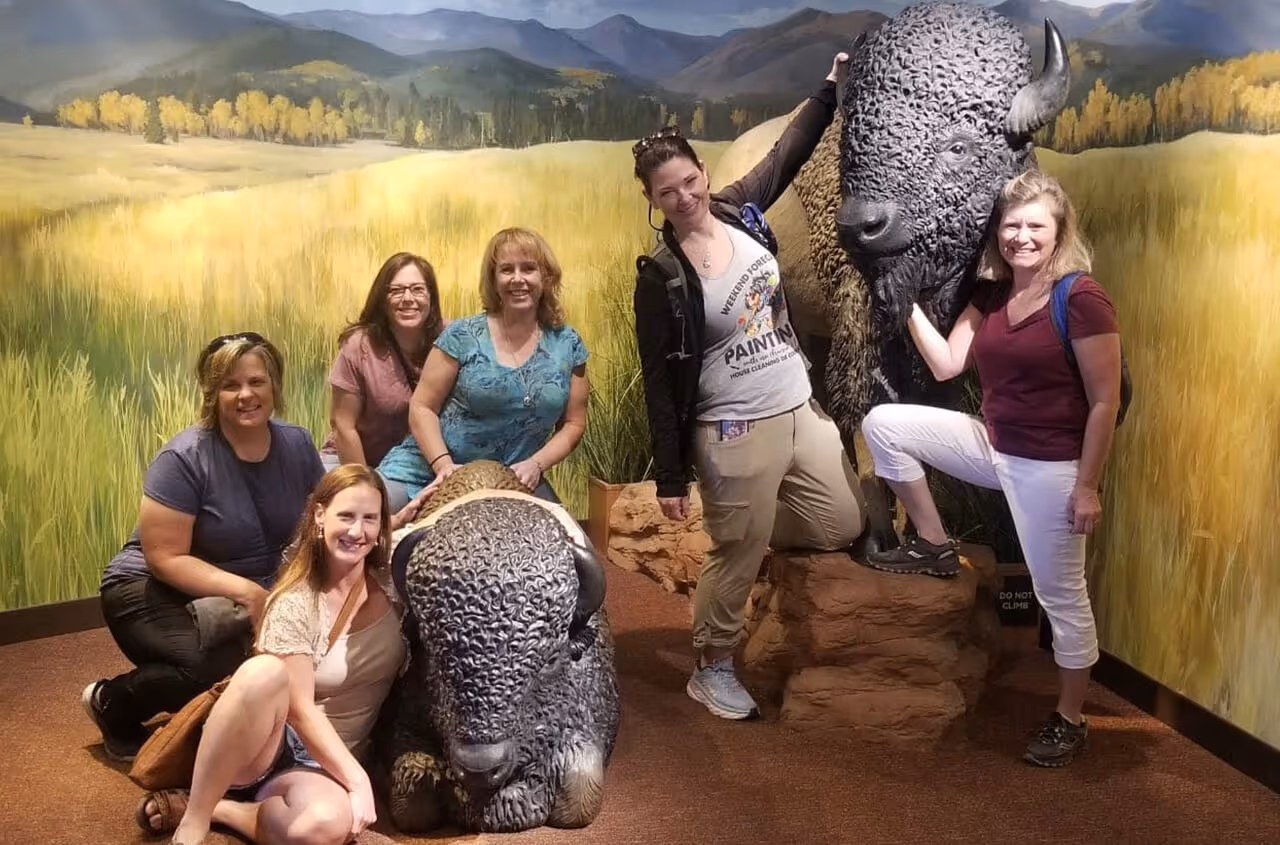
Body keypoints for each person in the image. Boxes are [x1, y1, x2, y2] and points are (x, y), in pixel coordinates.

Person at [857, 168, 1123, 767]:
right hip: (994, 446)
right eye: (1011, 226)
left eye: (1035, 226)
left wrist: (1086, 487)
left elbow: (1104, 402)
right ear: (997, 231)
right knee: (884, 425)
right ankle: (934, 543)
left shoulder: (1080, 297)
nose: (1021, 237)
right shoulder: (993, 294)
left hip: (1050, 467)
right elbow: (948, 364)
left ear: (1059, 231)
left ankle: (1070, 717)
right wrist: (904, 303)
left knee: (1062, 596)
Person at [630, 52, 868, 722]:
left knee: (841, 522)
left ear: (704, 173)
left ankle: (750, 514)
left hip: (798, 405)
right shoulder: (662, 276)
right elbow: (658, 382)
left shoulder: (739, 209)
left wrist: (828, 88)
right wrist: (671, 475)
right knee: (736, 551)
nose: (684, 197)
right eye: (667, 192)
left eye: (689, 181)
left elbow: (789, 152)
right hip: (732, 423)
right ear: (652, 200)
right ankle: (712, 665)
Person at [82, 333, 326, 762]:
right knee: (213, 673)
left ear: (274, 385)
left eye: (256, 381)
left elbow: (321, 516)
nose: (245, 394)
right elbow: (164, 557)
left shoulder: (297, 443)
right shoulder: (182, 457)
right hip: (150, 586)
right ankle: (112, 702)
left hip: (234, 596)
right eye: (230, 385)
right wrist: (250, 592)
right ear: (213, 393)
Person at [132, 464, 407, 845]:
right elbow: (299, 709)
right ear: (319, 516)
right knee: (263, 672)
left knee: (325, 827)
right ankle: (195, 817)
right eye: (346, 516)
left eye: (369, 519)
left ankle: (224, 810)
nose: (357, 531)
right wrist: (358, 780)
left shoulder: (392, 587)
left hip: (327, 764)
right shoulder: (295, 601)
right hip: (271, 747)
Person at [377, 227, 588, 507]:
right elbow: (422, 407)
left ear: (546, 276)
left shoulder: (568, 344)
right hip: (425, 472)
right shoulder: (462, 335)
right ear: (493, 279)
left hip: (513, 481)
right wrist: (443, 465)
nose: (517, 279)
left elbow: (574, 423)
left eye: (528, 269)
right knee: (368, 515)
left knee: (566, 535)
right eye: (506, 270)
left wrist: (536, 464)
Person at [320, 252, 446, 472]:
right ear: (382, 299)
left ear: (431, 296)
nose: (408, 298)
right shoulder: (359, 346)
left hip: (418, 467)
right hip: (353, 461)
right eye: (396, 290)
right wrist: (365, 483)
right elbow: (343, 425)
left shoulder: (452, 339)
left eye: (417, 289)